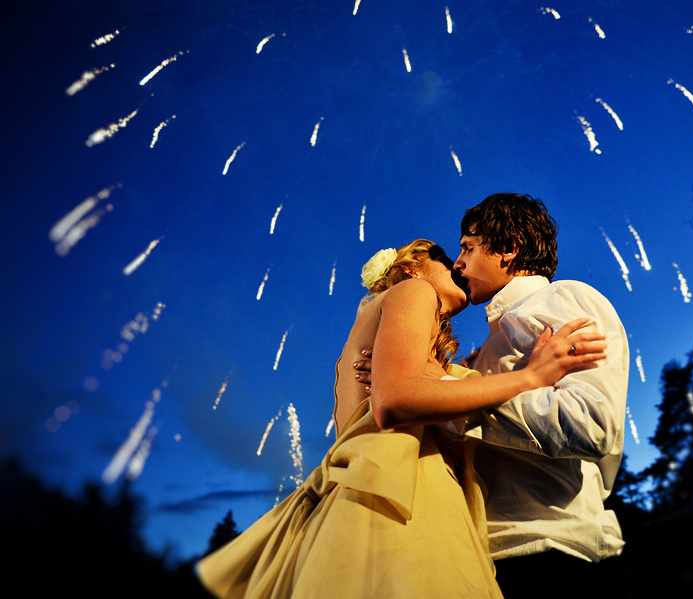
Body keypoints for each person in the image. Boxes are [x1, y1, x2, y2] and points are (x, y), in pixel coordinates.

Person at [195, 239, 607, 599]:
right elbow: (395, 400)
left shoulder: (369, 334)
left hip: (360, 494)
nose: (457, 265)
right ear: (412, 269)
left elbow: (356, 427)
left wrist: (442, 375)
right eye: (444, 257)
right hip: (410, 494)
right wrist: (530, 377)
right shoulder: (414, 290)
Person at [356, 194, 630, 596]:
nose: (458, 263)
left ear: (509, 248)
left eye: (468, 247)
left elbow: (590, 423)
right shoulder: (482, 351)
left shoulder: (564, 299)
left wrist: (440, 394)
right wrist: (413, 379)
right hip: (478, 563)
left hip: (549, 550)